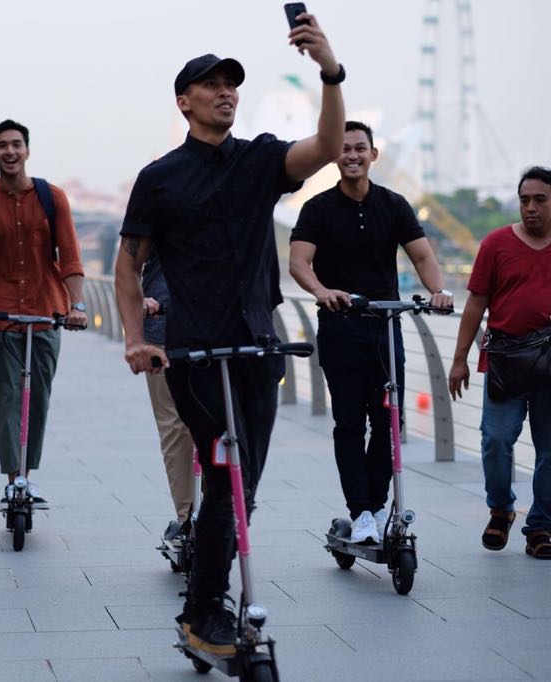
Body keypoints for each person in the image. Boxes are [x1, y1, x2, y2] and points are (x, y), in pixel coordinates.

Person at [114, 12, 345, 656]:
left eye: (232, 85)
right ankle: (205, 612)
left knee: (243, 484)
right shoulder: (160, 178)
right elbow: (127, 265)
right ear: (185, 101)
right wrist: (137, 338)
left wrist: (330, 70)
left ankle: (203, 612)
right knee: (225, 475)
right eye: (212, 85)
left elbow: (326, 148)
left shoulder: (262, 160)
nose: (226, 93)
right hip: (192, 352)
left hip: (256, 346)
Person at [289, 121, 454, 543]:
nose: (352, 156)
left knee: (388, 421)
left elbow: (421, 255)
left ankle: (377, 508)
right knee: (348, 422)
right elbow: (299, 263)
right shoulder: (318, 209)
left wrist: (439, 291)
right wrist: (322, 291)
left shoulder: (394, 205)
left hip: (385, 329)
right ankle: (360, 512)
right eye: (344, 149)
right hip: (340, 329)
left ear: (373, 155)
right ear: (334, 156)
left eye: (360, 148)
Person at [0, 119, 87, 508]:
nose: (10, 152)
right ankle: (13, 478)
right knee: (7, 395)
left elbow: (70, 256)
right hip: (0, 315)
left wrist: (77, 306)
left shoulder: (53, 198)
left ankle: (28, 477)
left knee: (37, 396)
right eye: (2, 146)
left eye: (16, 144)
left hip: (46, 311)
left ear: (27, 150)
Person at [449, 166, 551, 560]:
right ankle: (500, 508)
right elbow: (476, 301)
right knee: (495, 441)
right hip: (505, 360)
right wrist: (459, 359)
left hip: (550, 362)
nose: (531, 208)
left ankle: (541, 526)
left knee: (549, 452)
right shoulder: (496, 244)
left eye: (540, 200)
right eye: (525, 200)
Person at [141, 250, 195, 542]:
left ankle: (215, 512)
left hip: (219, 331)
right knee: (175, 428)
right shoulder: (155, 205)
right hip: (162, 332)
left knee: (220, 428)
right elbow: (128, 264)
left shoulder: (231, 207)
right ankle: (187, 517)